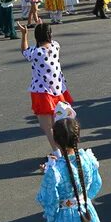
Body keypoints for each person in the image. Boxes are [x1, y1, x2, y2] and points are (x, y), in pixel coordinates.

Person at [37, 102, 111, 222]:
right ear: (77, 136)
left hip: (66, 219)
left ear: (55, 140)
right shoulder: (87, 159)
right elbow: (96, 183)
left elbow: (48, 199)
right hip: (87, 211)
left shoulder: (54, 171)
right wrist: (83, 199)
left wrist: (51, 221)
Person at [20, 21, 75, 170]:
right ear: (50, 35)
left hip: (42, 92)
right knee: (59, 124)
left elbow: (24, 51)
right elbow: (47, 41)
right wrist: (42, 26)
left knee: (48, 127)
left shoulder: (36, 53)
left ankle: (58, 154)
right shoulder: (55, 46)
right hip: (58, 90)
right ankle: (65, 150)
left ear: (37, 37)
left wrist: (24, 34)